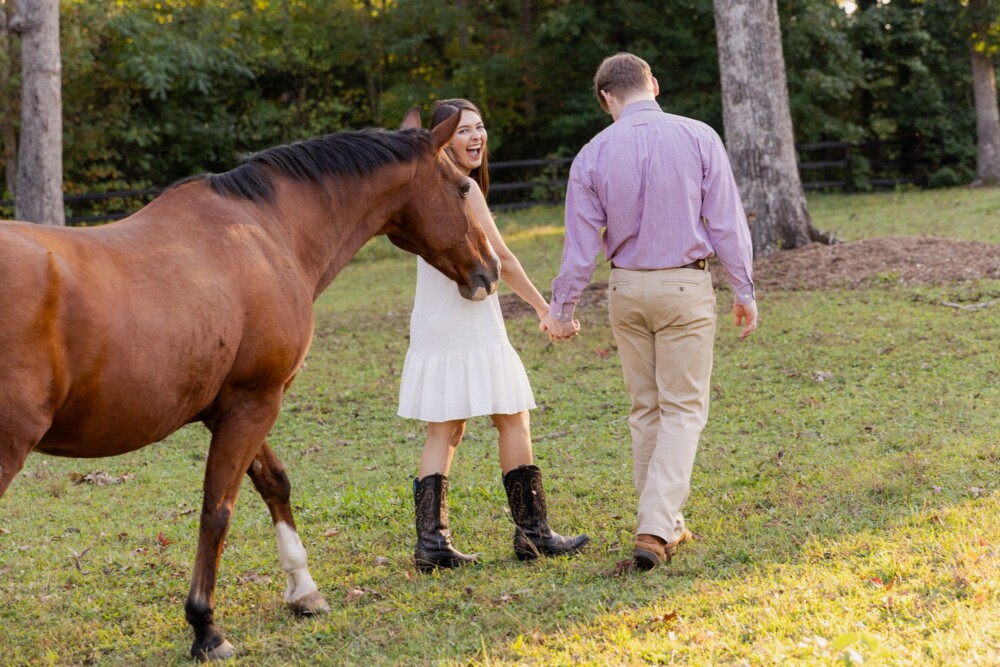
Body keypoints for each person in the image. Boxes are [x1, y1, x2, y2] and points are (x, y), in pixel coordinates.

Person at [540, 53, 758, 571]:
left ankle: (667, 523)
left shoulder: (591, 154)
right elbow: (726, 221)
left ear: (606, 98)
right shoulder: (699, 136)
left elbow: (579, 248)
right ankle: (656, 528)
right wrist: (743, 289)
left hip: (626, 289)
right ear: (653, 85)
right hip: (685, 285)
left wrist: (562, 309)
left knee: (646, 410)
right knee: (682, 409)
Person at [398, 98, 589, 572]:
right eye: (462, 130)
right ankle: (533, 533)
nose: (475, 137)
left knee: (446, 429)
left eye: (480, 127)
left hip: (437, 319)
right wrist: (547, 310)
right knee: (511, 418)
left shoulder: (425, 188)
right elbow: (502, 259)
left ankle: (433, 543)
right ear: (444, 139)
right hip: (465, 319)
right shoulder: (460, 188)